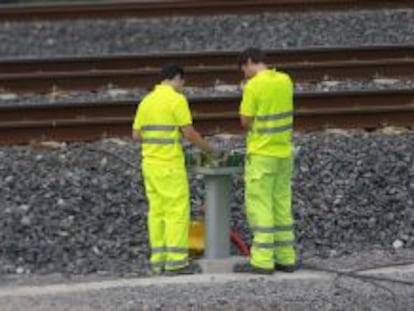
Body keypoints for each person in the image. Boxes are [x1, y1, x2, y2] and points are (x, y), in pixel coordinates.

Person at [132, 64, 216, 276]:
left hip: (149, 165)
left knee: (157, 212)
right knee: (177, 212)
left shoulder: (146, 101)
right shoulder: (176, 100)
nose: (183, 86)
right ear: (176, 78)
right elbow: (189, 133)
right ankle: (177, 262)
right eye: (182, 81)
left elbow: (136, 135)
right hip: (169, 165)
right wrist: (209, 149)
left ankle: (158, 261)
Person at [237, 48, 297, 274]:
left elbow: (245, 122)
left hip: (262, 156)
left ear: (250, 62)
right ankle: (286, 257)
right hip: (284, 153)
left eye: (245, 69)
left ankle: (262, 261)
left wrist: (245, 91)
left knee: (260, 205)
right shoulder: (285, 79)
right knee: (281, 204)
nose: (245, 74)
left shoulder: (253, 86)